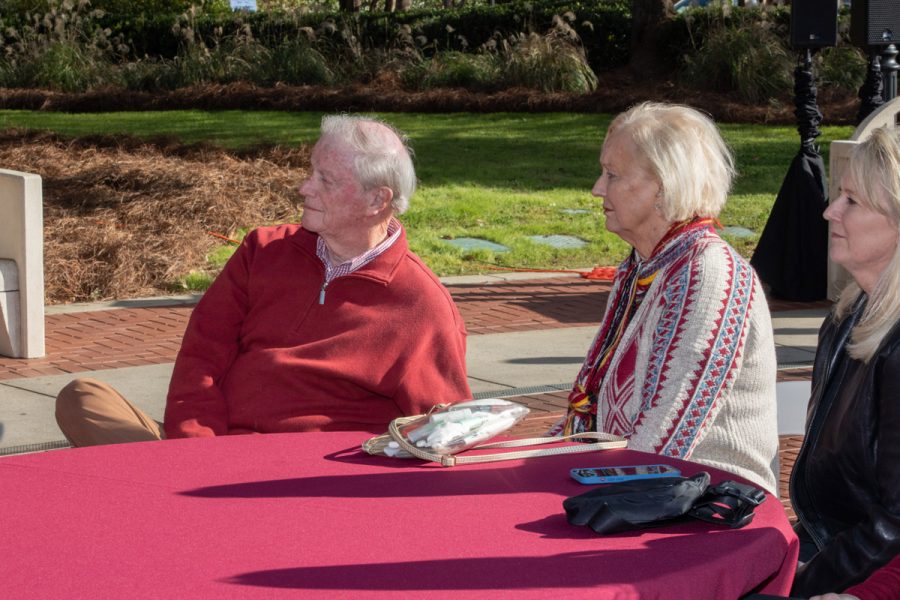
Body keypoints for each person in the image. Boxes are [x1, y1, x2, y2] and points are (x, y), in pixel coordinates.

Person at [56, 115, 472, 445]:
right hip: (210, 446)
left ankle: (168, 500)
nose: (303, 187)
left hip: (302, 478)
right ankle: (172, 491)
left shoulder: (421, 305)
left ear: (376, 200)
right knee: (82, 398)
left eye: (324, 179)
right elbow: (202, 356)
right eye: (311, 171)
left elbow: (445, 431)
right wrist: (195, 447)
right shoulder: (264, 249)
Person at [554, 102, 778, 493]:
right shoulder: (648, 263)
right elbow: (595, 400)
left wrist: (560, 479)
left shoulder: (706, 272)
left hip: (707, 504)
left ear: (663, 186)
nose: (597, 188)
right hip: (639, 485)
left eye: (612, 175)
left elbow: (668, 434)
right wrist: (540, 455)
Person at [789, 126, 900, 596]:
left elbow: (894, 524)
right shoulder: (847, 317)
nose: (829, 210)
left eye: (851, 201)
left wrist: (801, 585)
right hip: (827, 551)